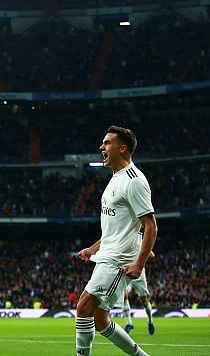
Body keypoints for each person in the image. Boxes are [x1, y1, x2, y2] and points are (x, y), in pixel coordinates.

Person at [76, 126, 157, 356]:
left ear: (122, 148)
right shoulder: (115, 178)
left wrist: (139, 264)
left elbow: (150, 225)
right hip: (107, 254)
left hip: (118, 260)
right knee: (100, 320)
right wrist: (92, 249)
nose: (102, 147)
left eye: (107, 143)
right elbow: (115, 230)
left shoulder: (134, 181)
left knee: (83, 307)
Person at [122, 251, 155, 335]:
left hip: (139, 275)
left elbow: (152, 255)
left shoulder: (138, 241)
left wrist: (147, 253)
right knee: (123, 295)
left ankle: (150, 321)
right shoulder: (123, 242)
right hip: (126, 273)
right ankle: (129, 323)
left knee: (144, 301)